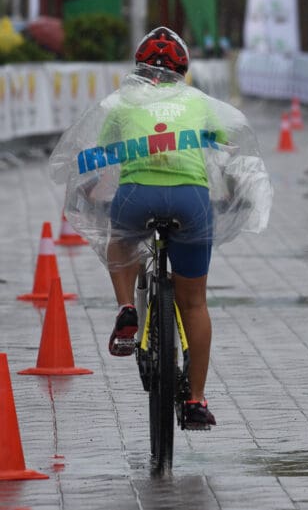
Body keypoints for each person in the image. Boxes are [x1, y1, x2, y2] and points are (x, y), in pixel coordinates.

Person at [105, 27, 220, 429]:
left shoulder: (122, 101)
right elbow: (224, 147)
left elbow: (103, 154)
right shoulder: (199, 101)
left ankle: (126, 308)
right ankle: (195, 402)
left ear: (138, 68)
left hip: (137, 196)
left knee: (120, 242)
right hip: (191, 200)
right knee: (195, 303)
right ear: (184, 70)